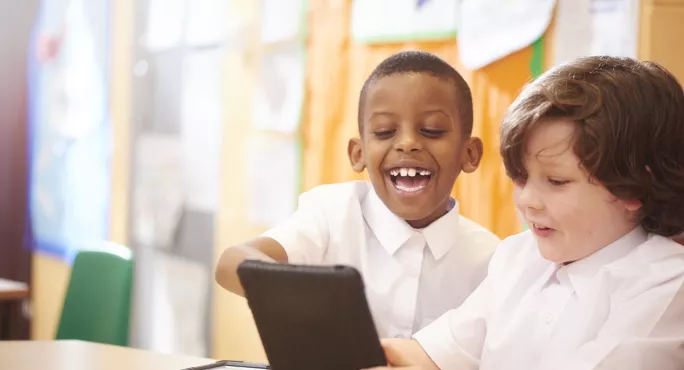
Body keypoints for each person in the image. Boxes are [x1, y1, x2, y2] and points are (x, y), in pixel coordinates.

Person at [367, 56, 684, 369]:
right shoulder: (520, 257)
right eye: (520, 177)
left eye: (556, 181)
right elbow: (433, 356)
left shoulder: (667, 285)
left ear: (633, 187)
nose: (527, 200)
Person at [215, 50, 501, 338]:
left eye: (432, 130)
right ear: (358, 153)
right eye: (385, 131)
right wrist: (307, 298)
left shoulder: (492, 260)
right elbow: (231, 262)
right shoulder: (332, 214)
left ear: (470, 154)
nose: (408, 143)